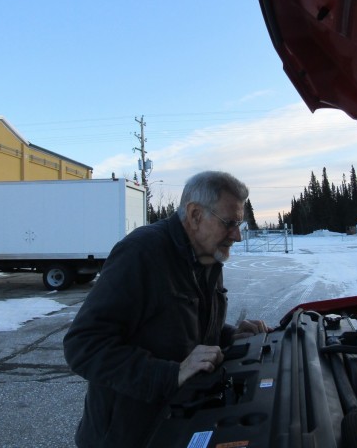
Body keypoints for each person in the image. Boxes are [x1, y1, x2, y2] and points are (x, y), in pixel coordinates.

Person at [63, 170, 270, 447]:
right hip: (129, 436)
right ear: (195, 215)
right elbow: (83, 346)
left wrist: (229, 337)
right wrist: (171, 374)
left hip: (177, 424)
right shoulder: (141, 253)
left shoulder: (209, 257)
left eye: (239, 225)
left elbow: (182, 328)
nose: (237, 236)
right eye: (229, 223)